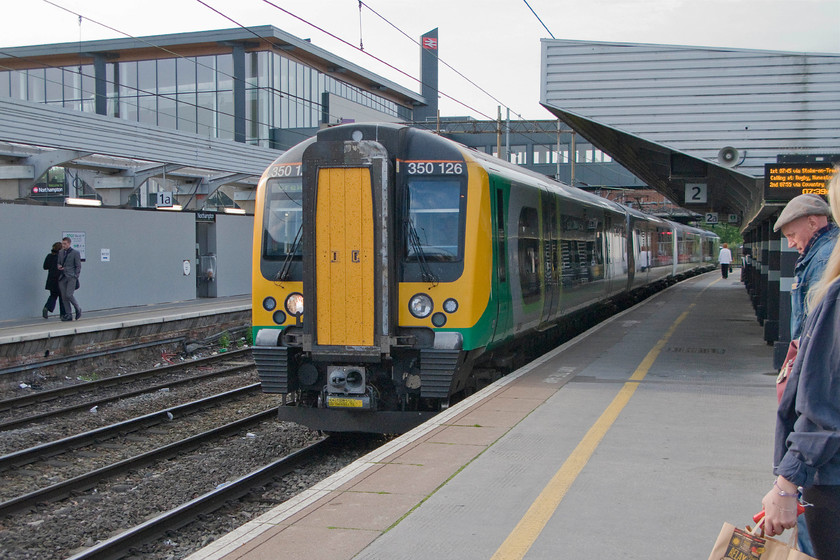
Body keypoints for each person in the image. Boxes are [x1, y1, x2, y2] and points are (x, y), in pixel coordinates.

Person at [761, 169, 840, 560]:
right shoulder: (818, 256)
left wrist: (787, 482)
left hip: (827, 468)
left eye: (793, 234)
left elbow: (824, 394)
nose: (791, 244)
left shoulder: (828, 264)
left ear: (816, 220)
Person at [774, 193, 839, 339]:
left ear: (812, 223)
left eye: (792, 235)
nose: (790, 244)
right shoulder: (829, 250)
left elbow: (819, 319)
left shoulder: (824, 259)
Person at [57, 237, 82, 321]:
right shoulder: (60, 252)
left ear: (69, 243)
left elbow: (78, 265)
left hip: (71, 277)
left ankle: (78, 308)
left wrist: (76, 276)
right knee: (64, 296)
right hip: (62, 277)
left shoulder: (75, 253)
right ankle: (68, 314)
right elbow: (59, 262)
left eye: (65, 244)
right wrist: (59, 266)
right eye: (62, 244)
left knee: (69, 294)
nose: (63, 245)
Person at [42, 242, 64, 319]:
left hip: (51, 280)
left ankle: (47, 307)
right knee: (62, 297)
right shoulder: (62, 257)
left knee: (53, 295)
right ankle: (63, 314)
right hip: (61, 280)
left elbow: (45, 267)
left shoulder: (49, 256)